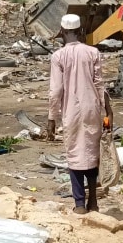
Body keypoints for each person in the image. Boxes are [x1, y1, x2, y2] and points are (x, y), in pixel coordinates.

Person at [46, 14, 111, 214]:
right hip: (92, 107)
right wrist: (107, 111)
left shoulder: (58, 56)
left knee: (74, 153)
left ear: (63, 32)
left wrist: (51, 118)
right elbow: (100, 84)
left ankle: (79, 204)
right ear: (81, 31)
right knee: (91, 152)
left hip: (71, 111)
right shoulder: (93, 52)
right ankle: (94, 202)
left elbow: (56, 91)